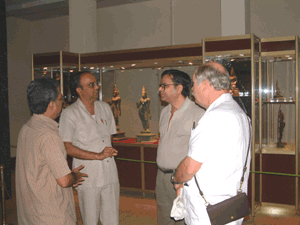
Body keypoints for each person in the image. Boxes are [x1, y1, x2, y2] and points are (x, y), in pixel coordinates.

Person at [172, 62, 251, 225]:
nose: (192, 90)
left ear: (205, 85)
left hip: (208, 213)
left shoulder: (215, 117)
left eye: (194, 84)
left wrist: (176, 178)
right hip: (230, 208)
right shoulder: (239, 113)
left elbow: (189, 168)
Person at [15, 78, 87, 225]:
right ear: (51, 104)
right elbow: (64, 180)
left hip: (30, 212)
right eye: (60, 98)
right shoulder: (48, 135)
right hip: (50, 215)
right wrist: (75, 176)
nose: (63, 102)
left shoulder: (27, 127)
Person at [59, 71, 119, 225]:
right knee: (90, 220)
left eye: (96, 83)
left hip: (110, 174)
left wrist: (103, 154)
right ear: (79, 90)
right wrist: (97, 155)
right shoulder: (69, 114)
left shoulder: (105, 108)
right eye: (91, 85)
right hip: (88, 176)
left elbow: (109, 139)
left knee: (112, 220)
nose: (96, 87)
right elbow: (68, 147)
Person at [156, 69, 205, 225]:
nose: (160, 89)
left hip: (183, 179)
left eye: (164, 85)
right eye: (160, 85)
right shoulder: (164, 112)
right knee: (164, 218)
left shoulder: (197, 113)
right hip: (161, 177)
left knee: (184, 219)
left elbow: (202, 151)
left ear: (179, 88)